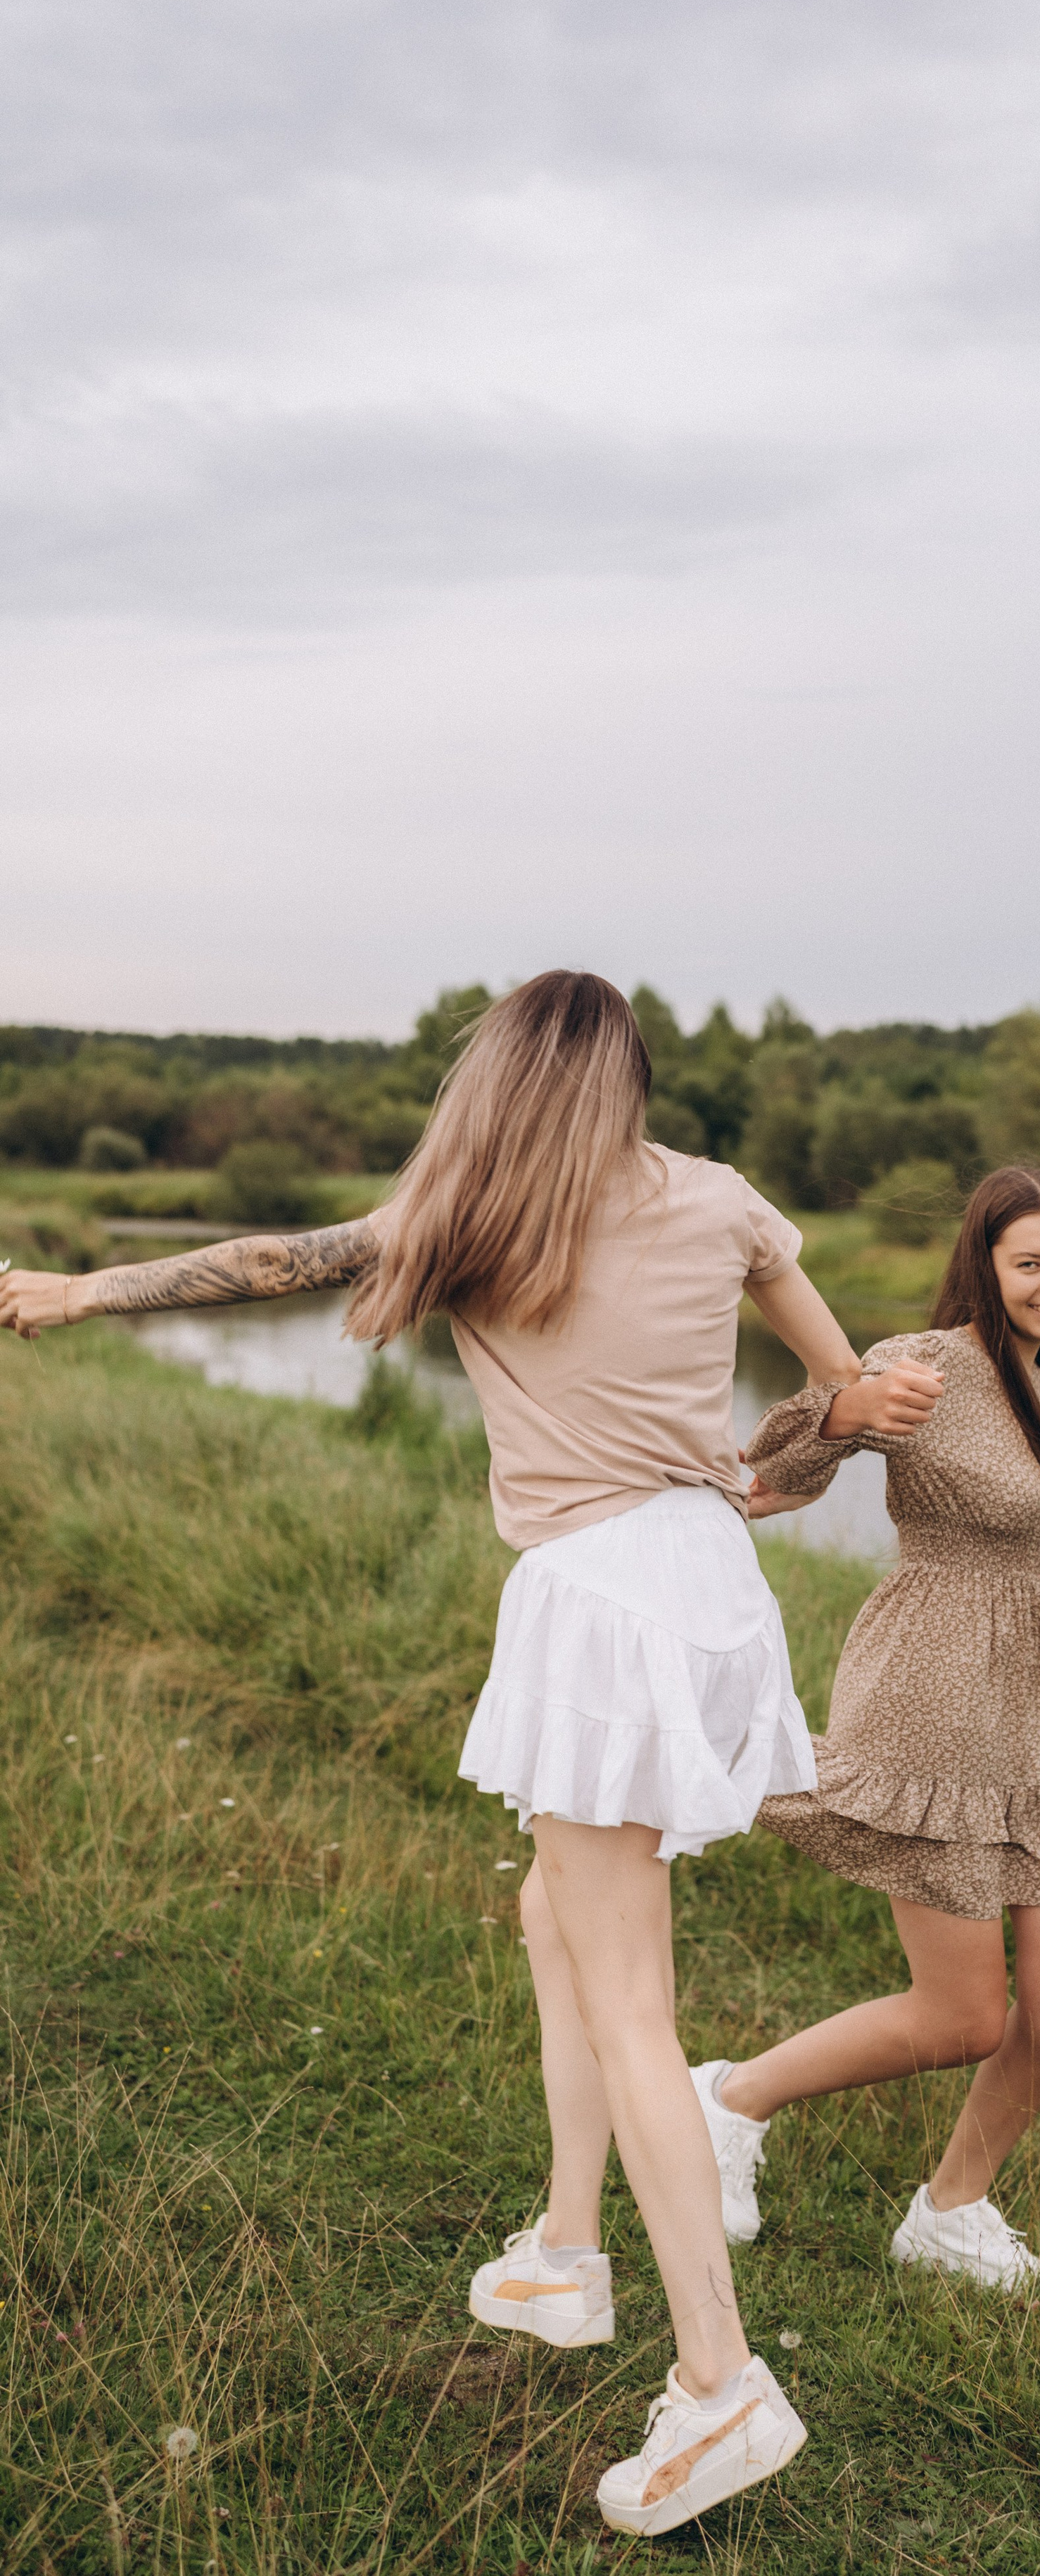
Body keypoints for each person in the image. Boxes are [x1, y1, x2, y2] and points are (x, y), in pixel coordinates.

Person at [0, 970, 865, 2540]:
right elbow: (841, 1399)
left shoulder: (473, 1210)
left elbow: (270, 1263)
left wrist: (79, 1291)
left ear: (503, 1081)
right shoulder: (726, 1201)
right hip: (706, 1587)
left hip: (601, 1599)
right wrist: (797, 1448)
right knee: (557, 1912)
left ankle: (719, 2380)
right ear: (635, 1082)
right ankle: (557, 2246)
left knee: (631, 2000)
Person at [687, 1164, 1040, 2291]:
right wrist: (841, 1407)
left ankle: (953, 2211)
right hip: (930, 1686)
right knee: (962, 2016)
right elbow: (778, 1467)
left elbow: (1006, 1546)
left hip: (1023, 1693)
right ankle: (730, 2101)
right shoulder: (928, 1363)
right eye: (1029, 1262)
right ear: (984, 1264)